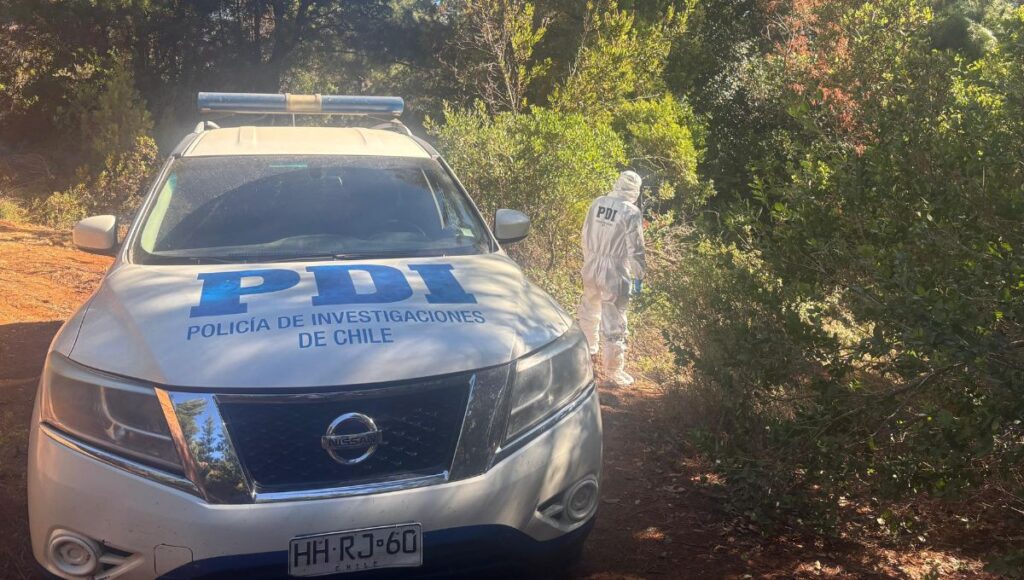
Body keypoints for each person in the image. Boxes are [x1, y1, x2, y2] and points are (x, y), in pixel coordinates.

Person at [578, 170, 646, 387]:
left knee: (589, 309)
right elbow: (635, 249)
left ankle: (587, 352)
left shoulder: (598, 202)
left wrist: (589, 259)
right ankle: (613, 371)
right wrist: (639, 276)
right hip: (614, 269)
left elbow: (585, 233)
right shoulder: (630, 212)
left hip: (591, 263)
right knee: (615, 319)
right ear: (635, 189)